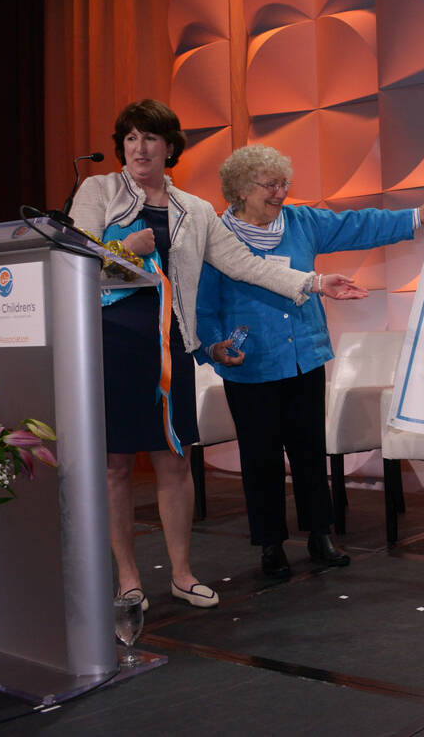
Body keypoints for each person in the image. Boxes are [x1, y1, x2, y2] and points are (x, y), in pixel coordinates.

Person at [71, 99, 359, 610]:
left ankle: (182, 574)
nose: (139, 147)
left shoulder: (195, 210)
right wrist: (127, 250)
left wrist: (315, 282)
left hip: (170, 344)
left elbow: (246, 264)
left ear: (169, 147)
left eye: (150, 138)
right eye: (131, 137)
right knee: (115, 467)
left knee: (175, 461)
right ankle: (128, 579)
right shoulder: (99, 191)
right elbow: (76, 257)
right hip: (113, 342)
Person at [196, 144, 424, 580]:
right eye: (270, 185)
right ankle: (271, 544)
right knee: (260, 459)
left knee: (309, 452)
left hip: (305, 357)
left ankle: (320, 535)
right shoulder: (216, 238)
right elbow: (203, 305)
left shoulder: (301, 222)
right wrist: (213, 347)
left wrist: (415, 216)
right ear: (240, 189)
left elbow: (357, 226)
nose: (280, 193)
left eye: (284, 184)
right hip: (252, 364)